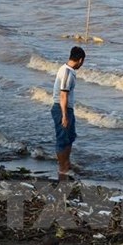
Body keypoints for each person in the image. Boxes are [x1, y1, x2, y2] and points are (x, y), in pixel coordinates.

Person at [51, 46, 85, 179]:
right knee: (62, 139)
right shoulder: (67, 73)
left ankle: (67, 163)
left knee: (70, 137)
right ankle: (62, 168)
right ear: (80, 60)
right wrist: (64, 115)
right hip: (61, 109)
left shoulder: (67, 69)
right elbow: (63, 95)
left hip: (67, 109)